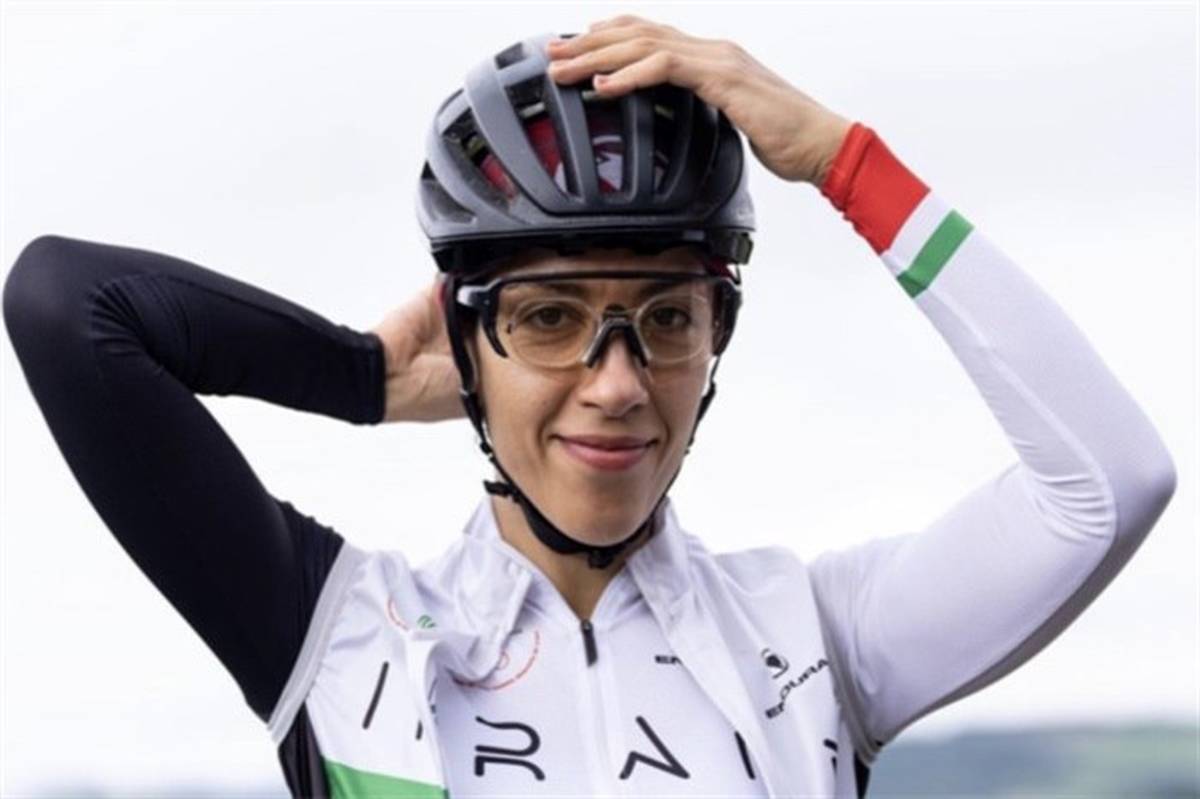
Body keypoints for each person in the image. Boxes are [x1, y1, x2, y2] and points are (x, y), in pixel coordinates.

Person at [1, 15, 1177, 799]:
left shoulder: (818, 638)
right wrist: (356, 376)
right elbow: (66, 304)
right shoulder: (345, 636)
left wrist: (841, 159)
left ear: (719, 338)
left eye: (666, 319)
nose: (615, 384)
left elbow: (1108, 483)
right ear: (467, 338)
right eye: (549, 317)